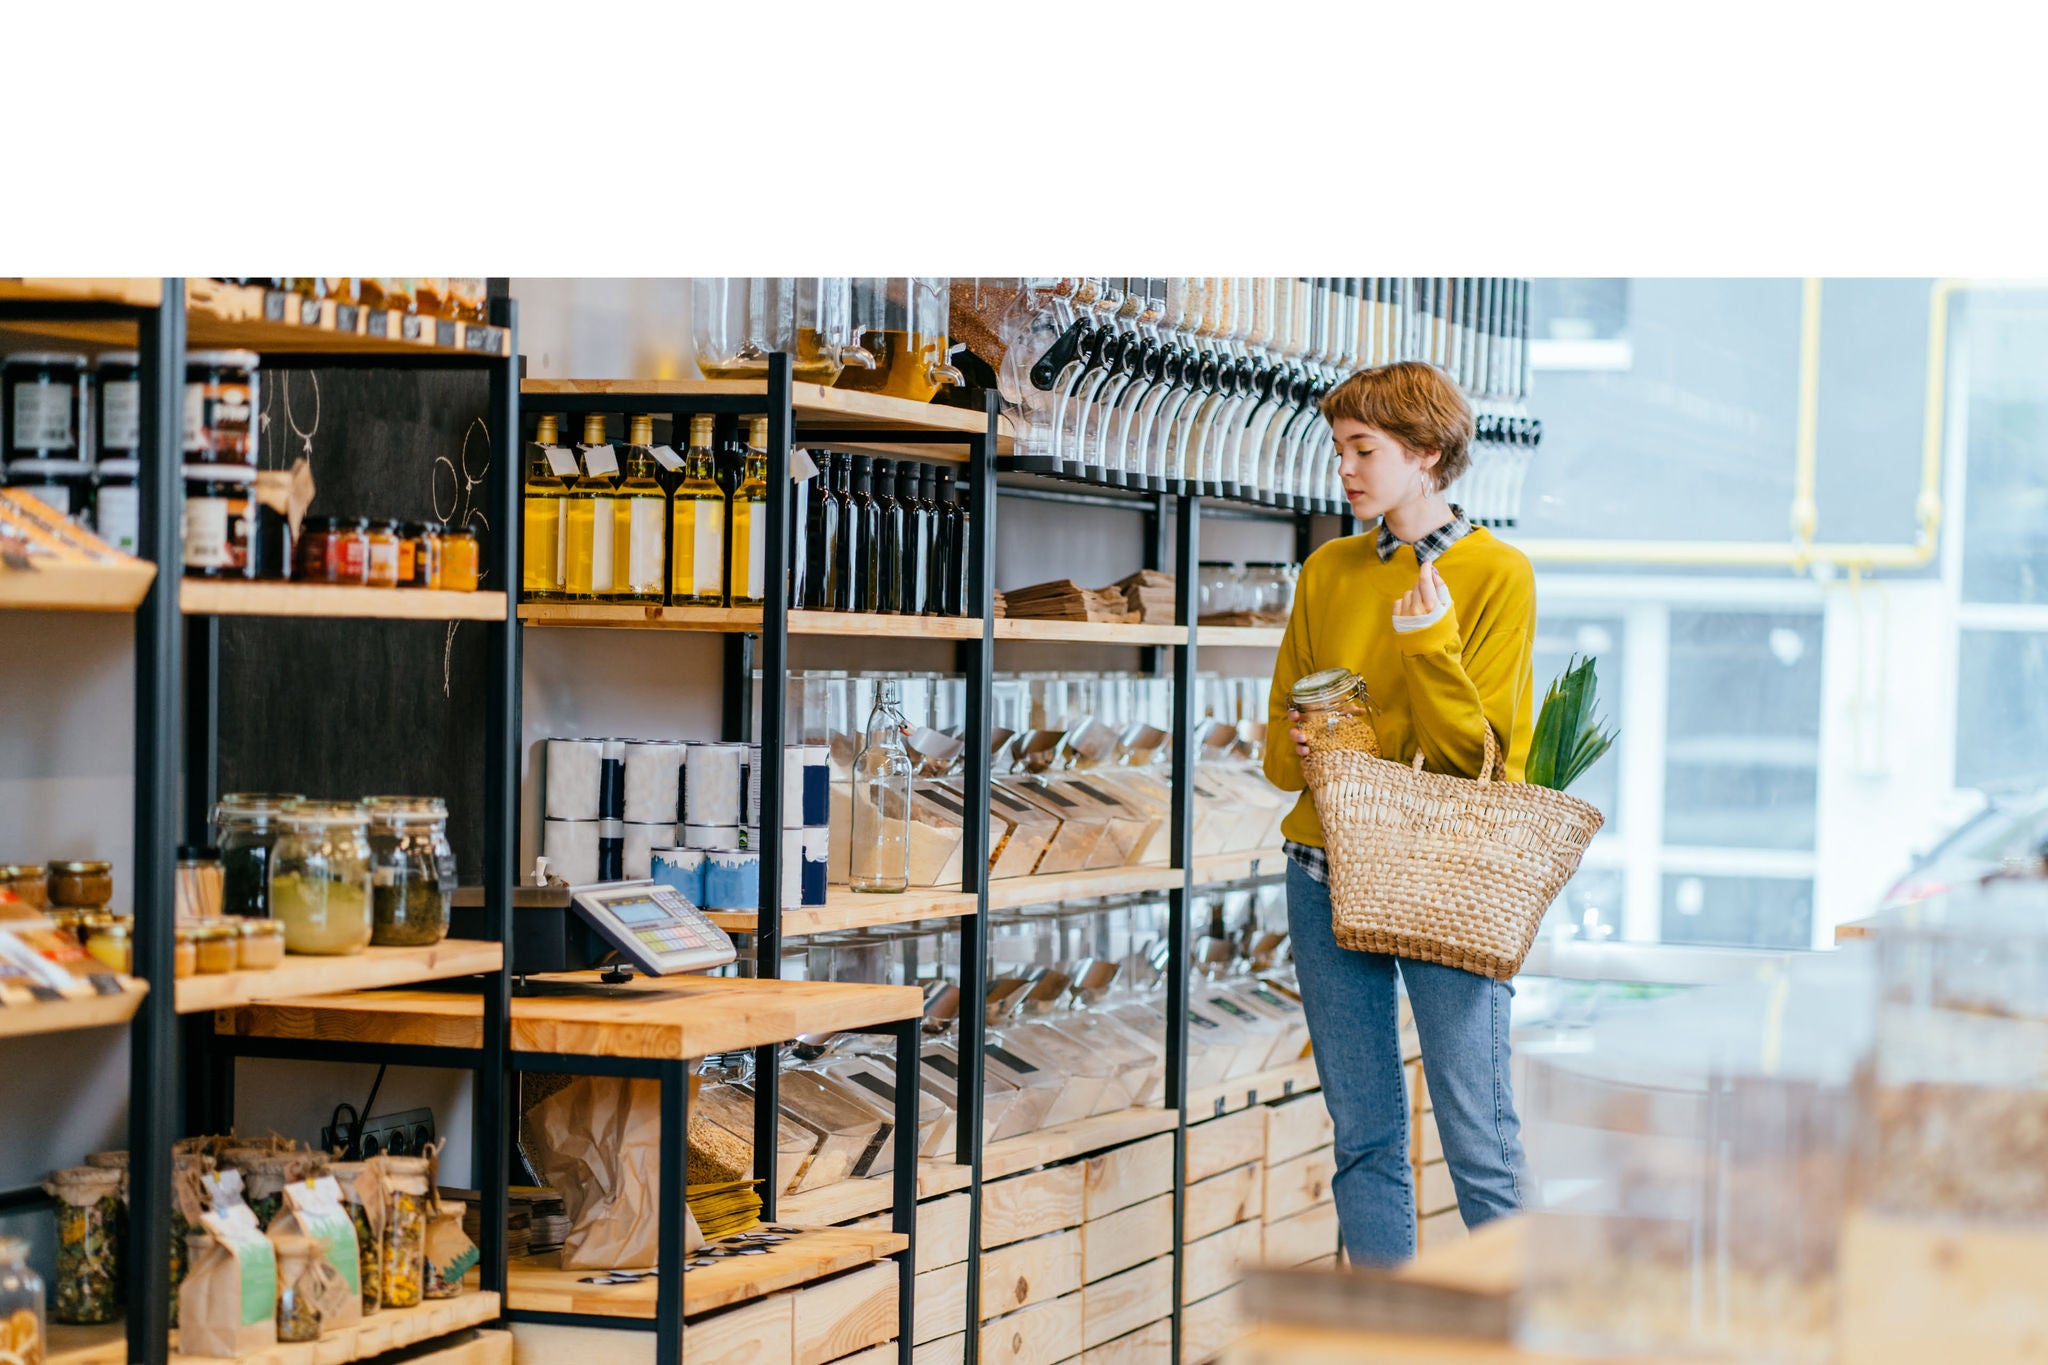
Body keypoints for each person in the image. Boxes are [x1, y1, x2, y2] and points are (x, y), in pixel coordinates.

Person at [1262, 359, 1537, 1265]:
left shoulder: (1499, 576)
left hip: (1444, 879)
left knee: (1479, 1143)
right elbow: (1275, 754)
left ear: (1425, 453)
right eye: (1339, 447)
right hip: (1321, 869)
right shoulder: (1328, 569)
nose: (1344, 468)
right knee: (1364, 1140)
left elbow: (1477, 760)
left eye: (1362, 448)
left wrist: (1427, 644)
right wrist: (1307, 748)